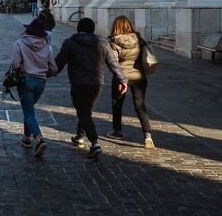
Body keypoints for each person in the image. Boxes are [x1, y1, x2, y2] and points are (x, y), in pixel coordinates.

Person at [54, 17, 128, 159]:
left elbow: (59, 62)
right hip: (96, 84)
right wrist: (122, 79)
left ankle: (95, 143)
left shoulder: (69, 43)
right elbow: (113, 63)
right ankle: (80, 136)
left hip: (78, 83)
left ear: (78, 28)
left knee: (83, 112)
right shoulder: (102, 42)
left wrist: (49, 72)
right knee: (86, 110)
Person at [10, 18, 59, 157]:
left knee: (29, 112)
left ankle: (39, 139)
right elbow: (54, 68)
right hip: (40, 82)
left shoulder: (19, 43)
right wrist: (46, 73)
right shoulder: (47, 46)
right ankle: (26, 138)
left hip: (25, 81)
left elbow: (14, 63)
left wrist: (22, 69)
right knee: (29, 109)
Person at [108, 16, 155, 149]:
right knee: (140, 106)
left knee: (117, 104)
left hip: (121, 77)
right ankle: (147, 135)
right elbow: (147, 56)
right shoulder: (139, 39)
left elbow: (114, 63)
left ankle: (117, 131)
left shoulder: (114, 41)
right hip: (139, 76)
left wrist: (119, 78)